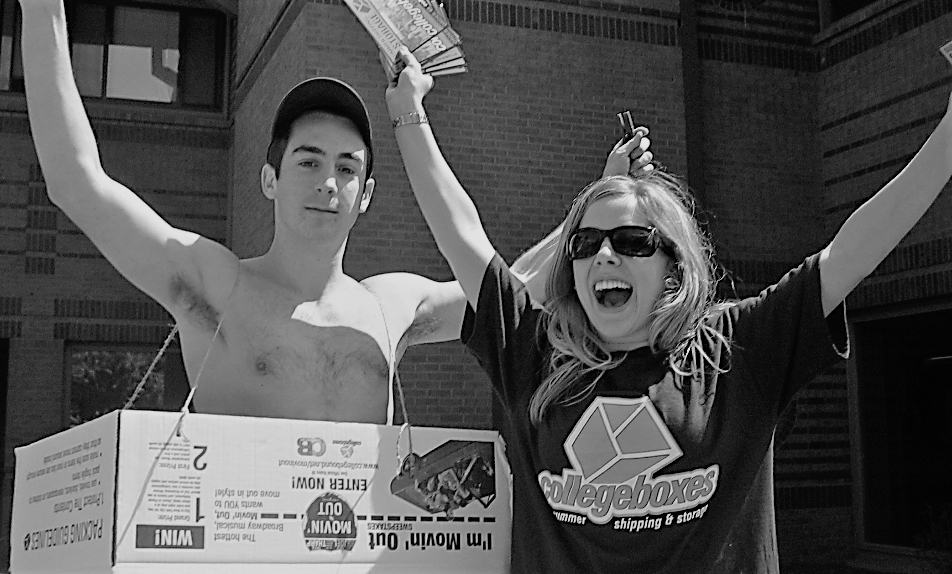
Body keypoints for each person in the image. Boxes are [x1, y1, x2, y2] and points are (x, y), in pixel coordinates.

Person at [386, 46, 952, 572]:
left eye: (632, 241)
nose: (604, 254)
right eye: (586, 245)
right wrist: (408, 112)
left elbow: (853, 250)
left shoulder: (739, 348)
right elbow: (460, 233)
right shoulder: (535, 354)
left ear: (672, 266)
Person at [17, 0, 651, 424]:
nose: (328, 181)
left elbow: (514, 293)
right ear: (269, 179)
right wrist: (41, 7)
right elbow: (76, 182)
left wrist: (600, 196)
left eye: (347, 169)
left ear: (366, 195)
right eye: (308, 161)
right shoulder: (214, 283)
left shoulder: (389, 306)